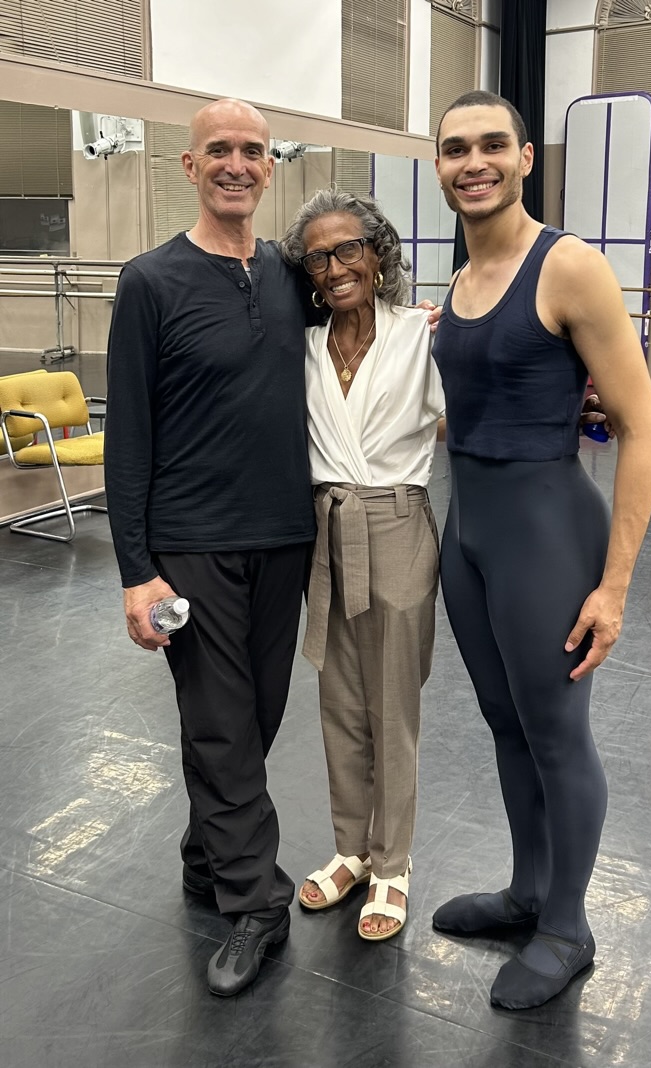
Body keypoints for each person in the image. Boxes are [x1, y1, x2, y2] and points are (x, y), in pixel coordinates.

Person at [429, 91, 651, 1010]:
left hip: (546, 532)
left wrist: (614, 588)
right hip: (471, 532)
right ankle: (528, 890)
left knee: (558, 736)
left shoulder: (569, 267)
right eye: (455, 148)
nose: (473, 161)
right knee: (503, 723)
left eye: (493, 145)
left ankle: (568, 925)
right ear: (439, 165)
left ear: (527, 158)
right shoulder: (456, 280)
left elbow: (642, 431)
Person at [104, 98, 316, 997]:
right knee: (221, 720)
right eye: (219, 150)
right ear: (189, 167)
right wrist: (135, 570)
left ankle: (206, 851)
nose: (237, 163)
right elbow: (131, 438)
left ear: (271, 168)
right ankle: (255, 900)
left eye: (253, 151)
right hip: (189, 544)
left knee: (255, 718)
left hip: (284, 536)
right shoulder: (149, 281)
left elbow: (364, 336)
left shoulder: (291, 274)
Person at [280, 190, 444, 940]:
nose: (335, 266)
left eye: (349, 248)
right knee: (339, 702)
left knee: (391, 708)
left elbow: (463, 413)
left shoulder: (422, 334)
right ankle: (351, 848)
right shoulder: (305, 345)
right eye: (318, 256)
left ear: (379, 255)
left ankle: (393, 863)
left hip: (397, 522)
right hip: (327, 526)